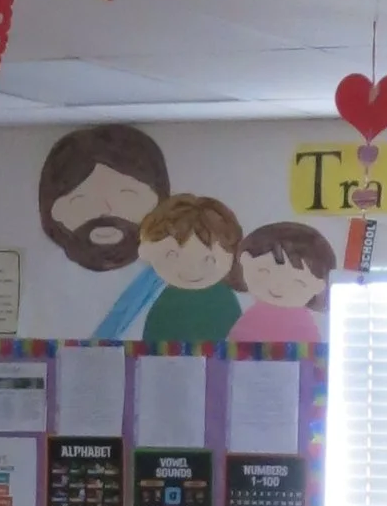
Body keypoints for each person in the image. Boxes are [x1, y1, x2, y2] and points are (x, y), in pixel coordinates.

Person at [36, 125, 171, 338]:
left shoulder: (176, 278)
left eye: (127, 196)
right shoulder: (44, 281)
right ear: (52, 212)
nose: (105, 210)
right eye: (80, 201)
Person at [135, 194, 245, 343]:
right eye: (173, 255)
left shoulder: (223, 300)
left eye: (208, 259)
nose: (192, 269)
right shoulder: (162, 298)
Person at [230, 219, 335, 345]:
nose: (277, 286)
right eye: (264, 271)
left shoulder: (303, 326)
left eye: (298, 282)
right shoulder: (249, 318)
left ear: (319, 286)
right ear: (245, 260)